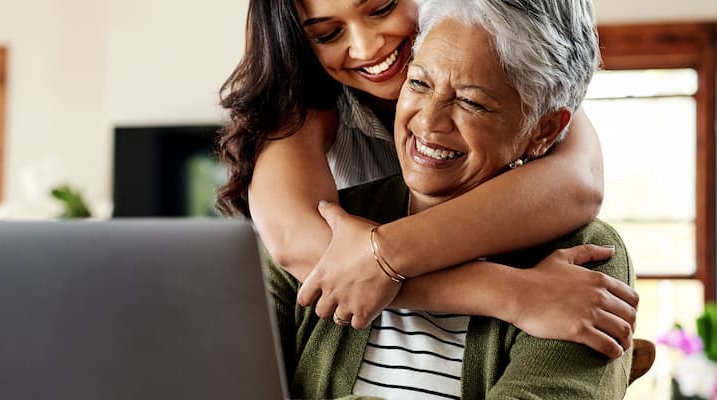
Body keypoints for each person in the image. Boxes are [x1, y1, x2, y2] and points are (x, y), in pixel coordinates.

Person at [218, 0, 637, 358]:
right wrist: (511, 293)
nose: (366, 47)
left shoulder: (509, 58)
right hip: (373, 339)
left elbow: (579, 183)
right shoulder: (303, 111)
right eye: (328, 33)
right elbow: (306, 249)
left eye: (381, 8)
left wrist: (386, 253)